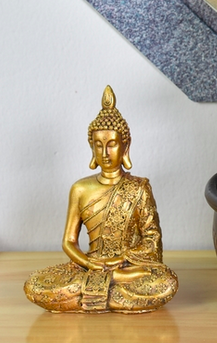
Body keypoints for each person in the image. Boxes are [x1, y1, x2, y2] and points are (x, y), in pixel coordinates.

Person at [24, 86, 178, 313]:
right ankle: (110, 291)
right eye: (98, 145)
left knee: (166, 282)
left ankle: (91, 294)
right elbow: (68, 242)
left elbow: (152, 240)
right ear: (92, 148)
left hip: (126, 267)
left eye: (112, 144)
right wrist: (89, 264)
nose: (105, 152)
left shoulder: (139, 188)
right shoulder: (80, 188)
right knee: (35, 285)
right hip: (90, 267)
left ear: (125, 146)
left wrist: (122, 259)